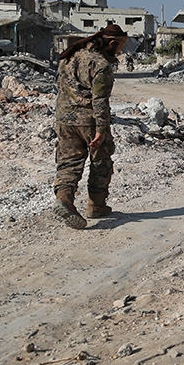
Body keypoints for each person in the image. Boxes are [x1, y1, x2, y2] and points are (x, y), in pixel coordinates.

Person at [53, 24, 128, 229]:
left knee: (68, 162)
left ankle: (64, 198)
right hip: (89, 120)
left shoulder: (70, 56)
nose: (121, 51)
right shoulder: (101, 64)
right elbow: (100, 100)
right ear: (111, 43)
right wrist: (102, 130)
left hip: (64, 119)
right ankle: (96, 205)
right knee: (100, 161)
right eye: (120, 46)